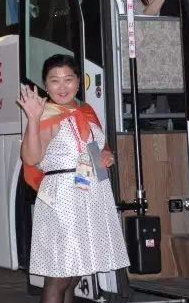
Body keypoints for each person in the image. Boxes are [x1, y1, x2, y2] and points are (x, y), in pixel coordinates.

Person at [18, 54, 128, 303]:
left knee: (75, 273)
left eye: (68, 79)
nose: (62, 86)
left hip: (89, 194)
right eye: (54, 80)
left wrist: (106, 154)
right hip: (62, 198)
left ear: (79, 82)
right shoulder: (45, 114)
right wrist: (33, 119)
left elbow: (98, 146)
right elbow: (30, 158)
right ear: (45, 85)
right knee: (59, 276)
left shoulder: (85, 111)